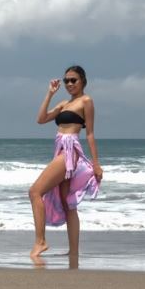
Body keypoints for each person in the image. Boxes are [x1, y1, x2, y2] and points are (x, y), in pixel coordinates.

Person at [28, 65, 103, 262]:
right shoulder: (62, 103)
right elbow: (41, 119)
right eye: (66, 80)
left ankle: (40, 241)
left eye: (73, 80)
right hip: (59, 150)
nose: (69, 84)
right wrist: (50, 93)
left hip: (71, 151)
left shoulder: (86, 101)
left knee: (35, 192)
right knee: (67, 202)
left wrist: (96, 164)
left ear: (83, 81)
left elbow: (90, 133)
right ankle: (74, 252)